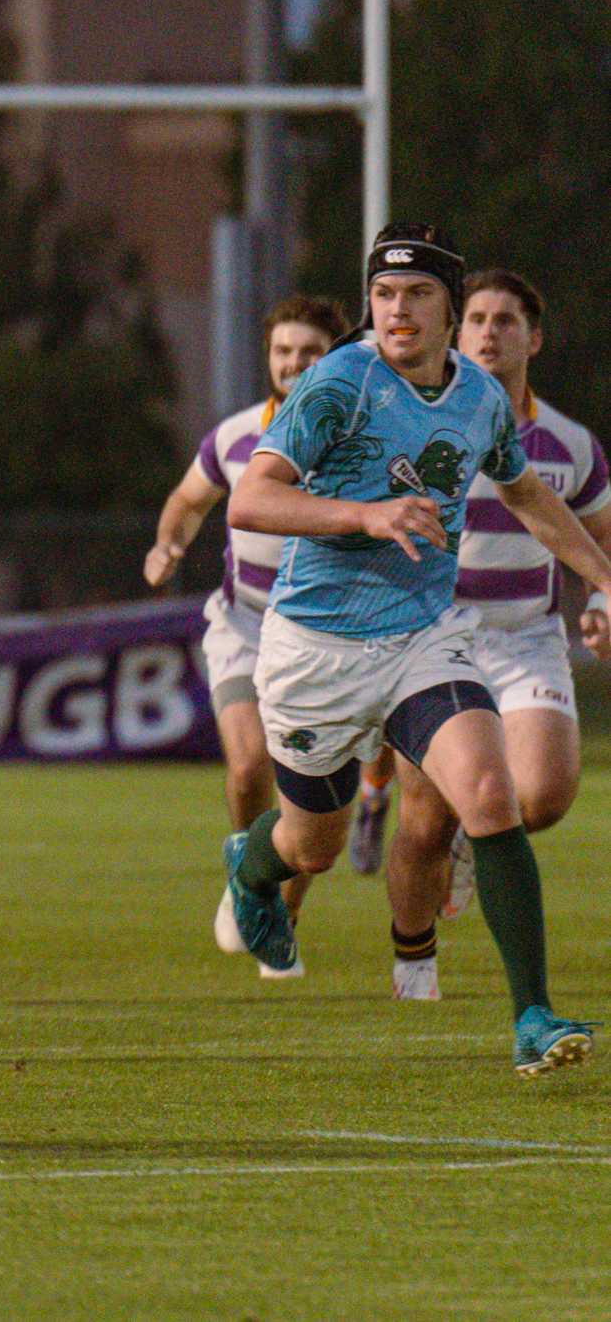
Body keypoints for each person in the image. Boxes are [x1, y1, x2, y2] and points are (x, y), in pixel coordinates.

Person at [221, 222, 610, 1075]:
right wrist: (365, 514)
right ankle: (252, 870)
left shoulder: (478, 396)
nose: (397, 311)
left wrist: (603, 576)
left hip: (423, 637)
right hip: (314, 650)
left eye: (419, 295)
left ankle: (533, 1016)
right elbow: (250, 501)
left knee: (488, 792)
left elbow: (528, 494)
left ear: (449, 308)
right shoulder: (338, 384)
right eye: (385, 294)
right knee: (310, 846)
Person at [377, 269, 611, 999]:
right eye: (474, 317)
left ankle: (478, 837)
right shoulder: (414, 424)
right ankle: (414, 966)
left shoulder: (569, 444)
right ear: (455, 330)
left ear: (532, 338)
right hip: (434, 639)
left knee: (540, 795)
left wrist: (603, 599)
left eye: (505, 320)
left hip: (523, 639)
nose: (487, 331)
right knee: (421, 822)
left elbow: (599, 541)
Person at [143, 296, 340, 976]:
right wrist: (168, 545)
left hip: (326, 634)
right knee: (250, 765)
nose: (294, 362)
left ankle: (279, 917)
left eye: (309, 351)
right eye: (284, 350)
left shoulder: (355, 439)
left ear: (334, 357)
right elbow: (186, 501)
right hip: (244, 623)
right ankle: (245, 870)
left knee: (308, 794)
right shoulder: (234, 437)